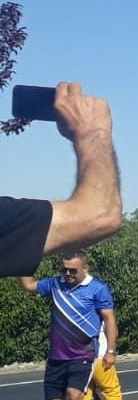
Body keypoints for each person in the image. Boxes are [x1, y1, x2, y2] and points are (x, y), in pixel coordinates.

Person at [0, 82, 123, 279]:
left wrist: (25, 253)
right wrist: (93, 133)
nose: (68, 274)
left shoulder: (95, 290)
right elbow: (100, 215)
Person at [19, 251, 117, 400]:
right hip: (57, 356)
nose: (68, 273)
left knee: (75, 396)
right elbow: (28, 286)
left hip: (84, 353)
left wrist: (110, 350)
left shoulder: (97, 289)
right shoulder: (55, 284)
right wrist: (24, 259)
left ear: (85, 268)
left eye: (73, 270)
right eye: (64, 269)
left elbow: (109, 320)